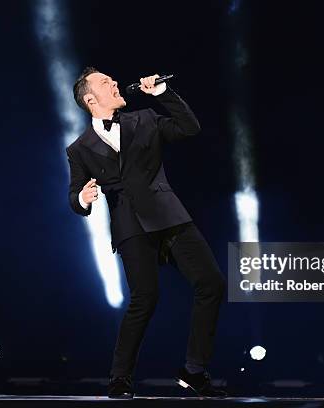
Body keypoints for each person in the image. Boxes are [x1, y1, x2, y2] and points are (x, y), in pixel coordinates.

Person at [67, 67, 227, 399]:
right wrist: (82, 199)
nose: (114, 82)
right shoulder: (79, 148)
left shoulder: (146, 118)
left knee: (211, 283)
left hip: (169, 216)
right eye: (105, 82)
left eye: (112, 79)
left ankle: (194, 370)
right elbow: (74, 195)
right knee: (145, 298)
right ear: (90, 98)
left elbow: (189, 127)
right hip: (130, 225)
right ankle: (120, 377)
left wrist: (162, 95)